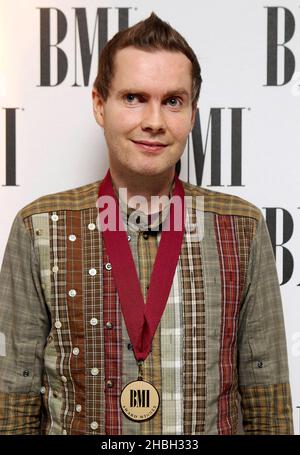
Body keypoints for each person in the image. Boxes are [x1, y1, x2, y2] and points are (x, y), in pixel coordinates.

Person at [0, 12, 294, 435]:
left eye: (172, 100)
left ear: (192, 114)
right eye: (134, 97)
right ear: (100, 105)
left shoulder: (242, 227)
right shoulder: (39, 226)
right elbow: (14, 397)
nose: (154, 121)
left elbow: (269, 400)